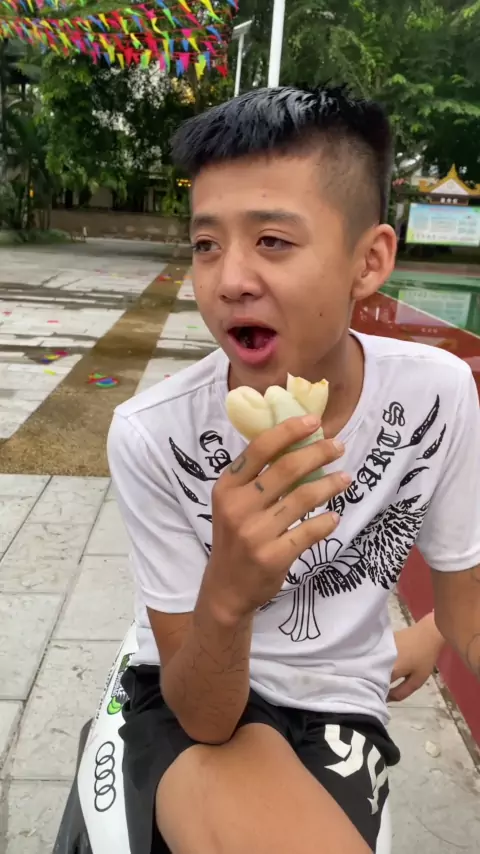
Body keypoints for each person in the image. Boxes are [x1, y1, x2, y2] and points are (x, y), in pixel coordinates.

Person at [107, 86, 480, 854]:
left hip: (341, 702)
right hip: (192, 695)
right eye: (206, 244)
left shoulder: (435, 395)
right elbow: (204, 715)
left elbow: (466, 606)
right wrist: (228, 592)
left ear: (369, 261)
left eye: (272, 240)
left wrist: (436, 631)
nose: (229, 279)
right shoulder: (153, 435)